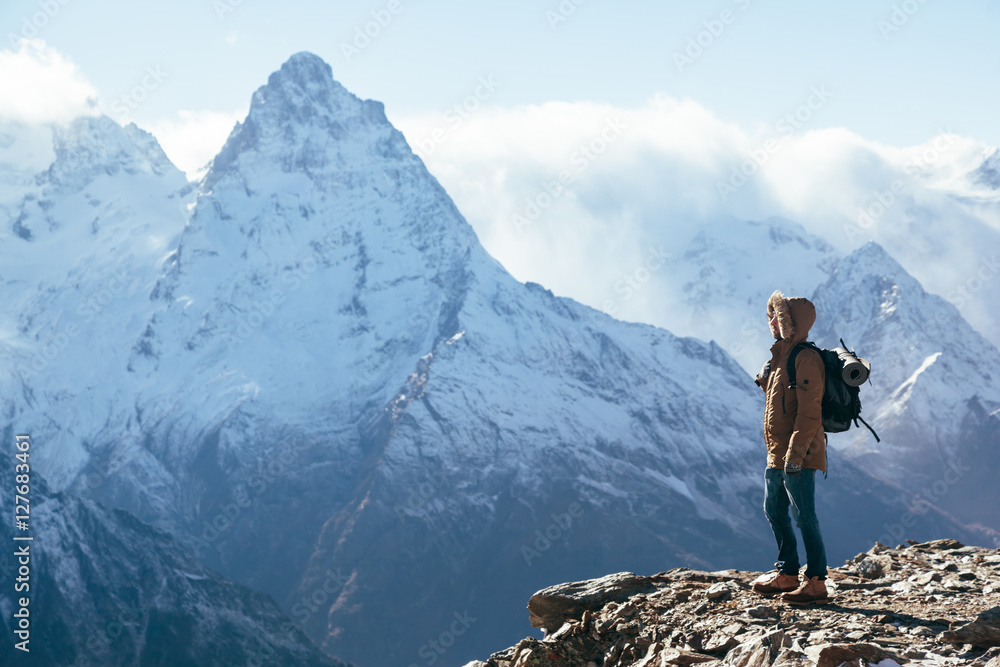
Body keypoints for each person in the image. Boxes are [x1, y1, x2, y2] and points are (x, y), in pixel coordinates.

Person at [751, 290, 829, 605]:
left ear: (790, 322)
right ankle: (787, 574)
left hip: (798, 455)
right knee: (773, 509)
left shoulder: (806, 358)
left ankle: (816, 582)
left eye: (777, 316)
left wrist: (795, 456)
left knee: (804, 515)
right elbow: (783, 405)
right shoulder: (780, 356)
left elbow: (809, 414)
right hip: (776, 453)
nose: (771, 321)